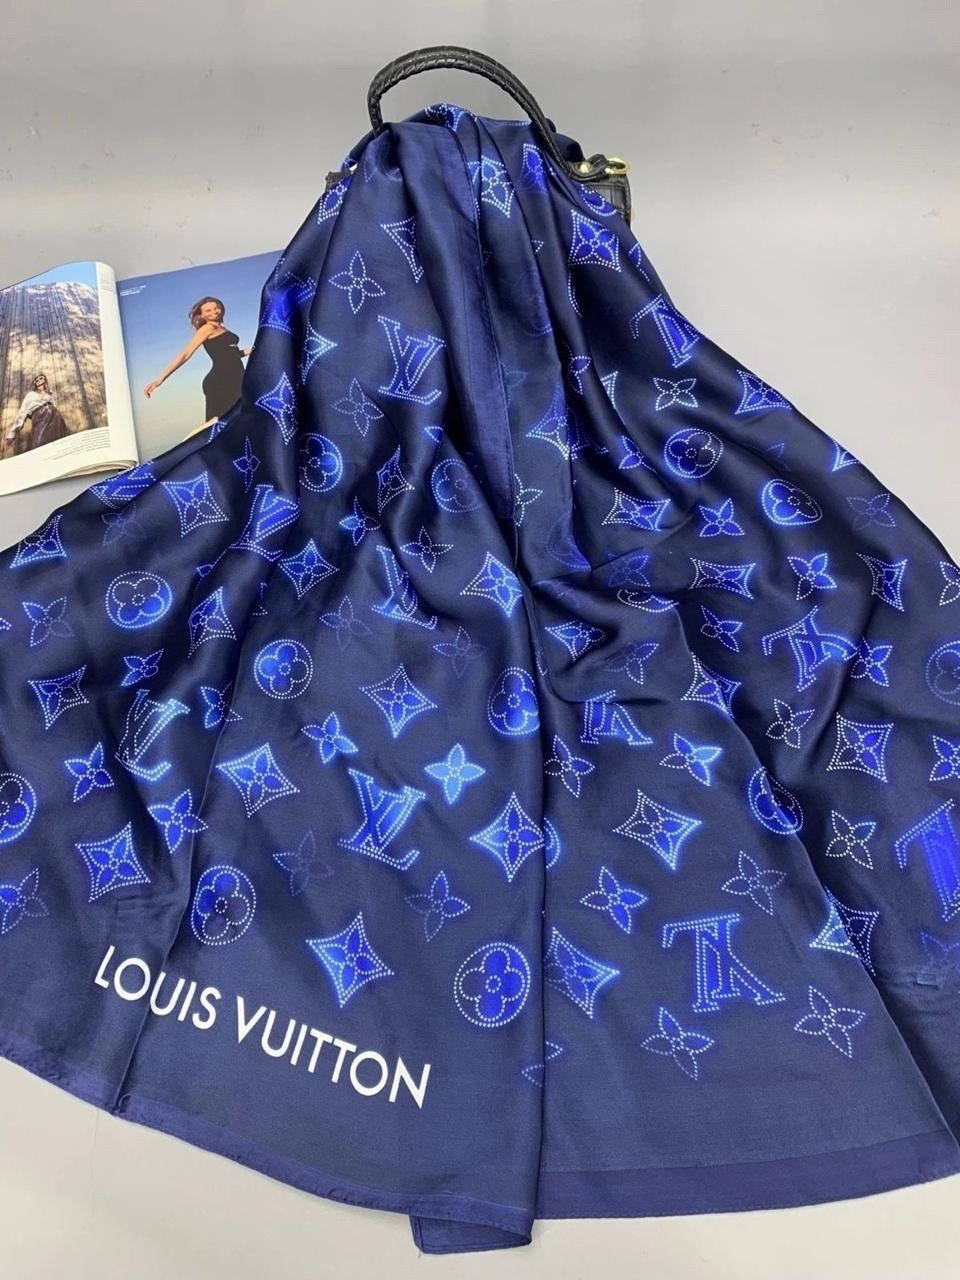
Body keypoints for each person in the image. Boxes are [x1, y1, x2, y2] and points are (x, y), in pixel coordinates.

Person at [143, 295, 253, 426]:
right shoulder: (208, 328)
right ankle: (193, 439)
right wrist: (160, 379)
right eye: (208, 310)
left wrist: (253, 349)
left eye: (216, 308)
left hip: (235, 377)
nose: (214, 311)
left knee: (235, 421)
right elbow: (185, 354)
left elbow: (231, 354)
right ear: (202, 315)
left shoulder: (221, 328)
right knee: (218, 424)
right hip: (221, 380)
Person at [3, 371, 70, 455]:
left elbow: (54, 405)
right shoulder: (31, 395)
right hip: (39, 417)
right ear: (35, 383)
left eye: (41, 378)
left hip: (55, 418)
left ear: (45, 380)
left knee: (59, 442)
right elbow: (22, 412)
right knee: (39, 443)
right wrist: (12, 433)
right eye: (36, 380)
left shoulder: (50, 394)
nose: (38, 380)